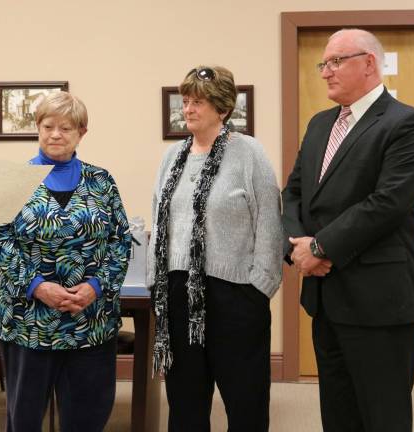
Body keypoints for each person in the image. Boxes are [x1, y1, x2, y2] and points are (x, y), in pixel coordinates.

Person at [282, 29, 414, 432]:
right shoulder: (319, 125)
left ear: (369, 63)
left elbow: (388, 203)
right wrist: (297, 248)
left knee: (382, 415)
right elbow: (295, 192)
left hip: (379, 301)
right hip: (326, 297)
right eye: (323, 64)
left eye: (336, 62)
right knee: (338, 413)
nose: (325, 73)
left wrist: (319, 245)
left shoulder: (408, 124)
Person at [148, 66, 283, 431]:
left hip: (235, 295)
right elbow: (159, 220)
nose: (188, 109)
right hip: (177, 293)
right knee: (185, 402)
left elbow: (269, 220)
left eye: (199, 102)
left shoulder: (249, 153)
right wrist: (153, 280)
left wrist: (261, 285)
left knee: (245, 400)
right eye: (187, 101)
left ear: (222, 108)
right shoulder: (171, 157)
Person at [0, 91, 132, 432]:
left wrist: (96, 286)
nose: (56, 134)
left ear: (81, 133)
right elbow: (0, 243)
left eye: (66, 128)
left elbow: (121, 240)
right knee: (23, 420)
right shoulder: (12, 180)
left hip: (90, 321)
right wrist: (38, 287)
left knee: (87, 418)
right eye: (48, 126)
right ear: (37, 128)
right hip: (30, 324)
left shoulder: (101, 181)